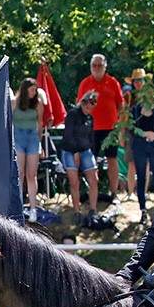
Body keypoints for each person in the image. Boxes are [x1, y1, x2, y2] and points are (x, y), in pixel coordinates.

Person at [77, 54, 125, 197]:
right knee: (91, 162)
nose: (97, 68)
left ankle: (114, 192)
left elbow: (120, 104)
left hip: (111, 129)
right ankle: (93, 191)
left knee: (112, 159)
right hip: (90, 129)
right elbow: (79, 106)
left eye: (100, 65)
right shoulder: (85, 83)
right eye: (94, 65)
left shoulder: (113, 82)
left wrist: (121, 124)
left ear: (105, 67)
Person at [125, 69, 154, 226]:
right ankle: (143, 210)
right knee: (142, 176)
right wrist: (144, 133)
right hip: (139, 144)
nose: (139, 84)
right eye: (136, 81)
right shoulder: (132, 102)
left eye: (141, 81)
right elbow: (130, 126)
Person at [61, 91, 100, 224]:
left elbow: (91, 138)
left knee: (94, 180)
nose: (88, 110)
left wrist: (94, 157)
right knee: (74, 182)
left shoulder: (90, 118)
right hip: (70, 150)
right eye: (86, 106)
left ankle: (92, 210)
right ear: (82, 103)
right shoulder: (72, 114)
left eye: (91, 108)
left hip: (86, 150)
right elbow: (68, 135)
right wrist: (75, 152)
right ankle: (76, 211)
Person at [13, 77, 46, 222]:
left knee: (31, 174)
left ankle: (33, 208)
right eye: (32, 89)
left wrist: (40, 143)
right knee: (19, 172)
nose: (35, 92)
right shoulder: (15, 102)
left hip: (32, 136)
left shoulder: (38, 103)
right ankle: (18, 207)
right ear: (25, 89)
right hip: (18, 136)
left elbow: (40, 124)